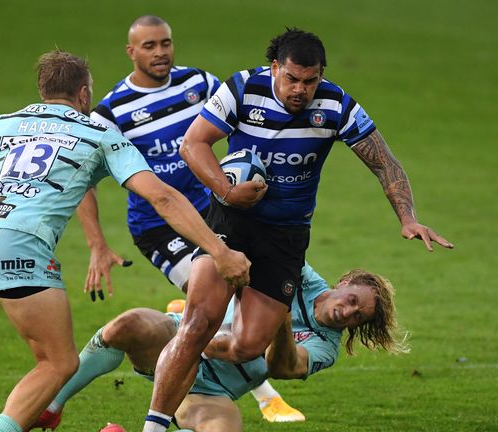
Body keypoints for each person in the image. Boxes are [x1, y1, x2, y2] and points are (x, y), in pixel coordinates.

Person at [0, 49, 250, 432]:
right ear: (84, 95)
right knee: (58, 363)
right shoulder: (99, 134)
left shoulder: (3, 123)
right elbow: (162, 197)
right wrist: (219, 251)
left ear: (42, 90)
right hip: (21, 242)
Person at [144, 28, 454, 432]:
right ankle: (154, 425)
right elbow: (193, 144)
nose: (300, 91)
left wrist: (407, 217)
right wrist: (227, 190)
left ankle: (180, 353)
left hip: (286, 236)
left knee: (251, 345)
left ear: (320, 75)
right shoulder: (242, 87)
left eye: (310, 81)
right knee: (198, 324)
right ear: (276, 68)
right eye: (292, 79)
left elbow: (385, 162)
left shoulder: (337, 104)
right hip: (232, 221)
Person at [75, 15, 304, 423]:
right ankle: (265, 396)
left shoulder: (198, 83)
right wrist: (96, 244)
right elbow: (82, 182)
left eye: (165, 43)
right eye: (149, 46)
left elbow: (238, 117)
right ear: (131, 52)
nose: (160, 52)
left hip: (210, 213)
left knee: (236, 293)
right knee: (224, 293)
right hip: (158, 227)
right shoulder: (112, 111)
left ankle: (204, 353)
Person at [31, 263, 407, 431]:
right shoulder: (300, 274)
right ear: (345, 282)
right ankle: (51, 405)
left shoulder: (326, 347)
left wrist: (279, 320)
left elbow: (282, 367)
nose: (349, 313)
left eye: (359, 318)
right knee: (128, 324)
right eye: (354, 300)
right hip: (181, 340)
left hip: (212, 390)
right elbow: (253, 256)